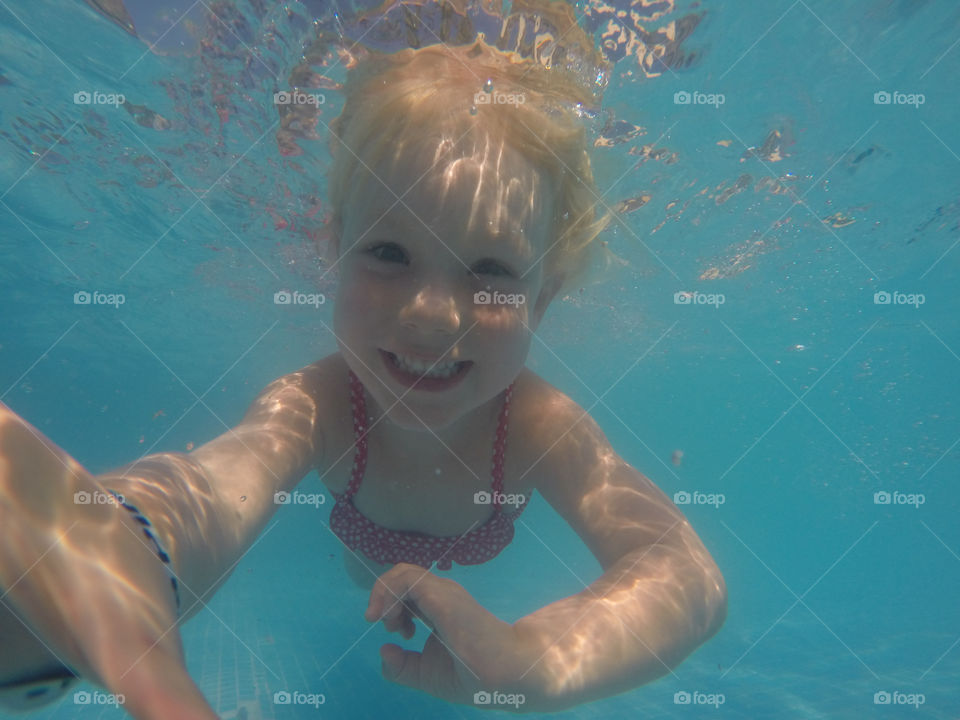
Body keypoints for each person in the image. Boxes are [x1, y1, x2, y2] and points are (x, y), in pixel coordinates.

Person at [0, 23, 726, 720]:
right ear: (336, 246)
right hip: (363, 536)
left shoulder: (538, 426)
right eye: (388, 253)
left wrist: (528, 660)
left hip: (451, 550)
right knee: (362, 570)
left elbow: (685, 575)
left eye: (492, 270)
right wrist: (125, 543)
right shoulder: (319, 405)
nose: (433, 316)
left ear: (545, 296)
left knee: (381, 576)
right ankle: (372, 573)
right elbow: (217, 486)